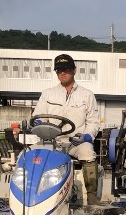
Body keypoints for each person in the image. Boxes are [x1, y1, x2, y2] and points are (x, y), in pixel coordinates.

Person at [32, 54, 100, 204]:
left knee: (88, 152)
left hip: (77, 142)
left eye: (67, 69)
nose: (63, 73)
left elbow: (94, 123)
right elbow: (38, 117)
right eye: (59, 70)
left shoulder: (87, 95)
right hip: (52, 141)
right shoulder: (47, 94)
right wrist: (37, 123)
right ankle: (31, 196)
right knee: (29, 153)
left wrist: (87, 136)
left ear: (74, 70)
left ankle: (92, 197)